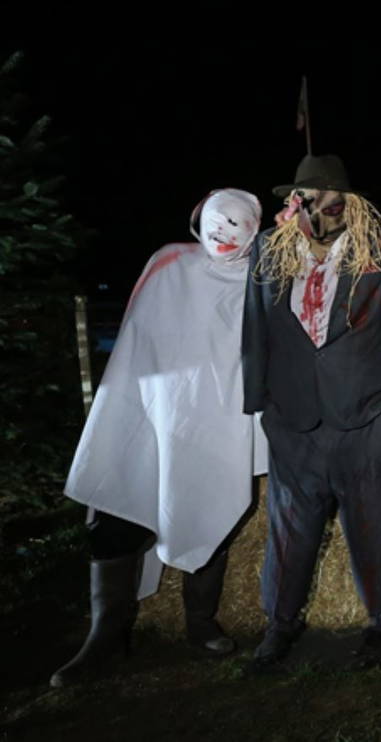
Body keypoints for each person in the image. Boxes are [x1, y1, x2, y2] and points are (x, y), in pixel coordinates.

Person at [52, 189, 267, 687]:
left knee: (208, 502)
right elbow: (139, 336)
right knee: (117, 506)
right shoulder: (168, 264)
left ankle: (200, 621)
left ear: (255, 230)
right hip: (144, 413)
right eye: (215, 221)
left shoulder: (260, 280)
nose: (223, 233)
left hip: (215, 422)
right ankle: (106, 636)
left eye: (236, 224)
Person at [241, 155, 381, 672]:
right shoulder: (269, 249)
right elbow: (255, 328)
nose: (318, 210)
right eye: (307, 199)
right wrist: (260, 408)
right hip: (293, 419)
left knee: (375, 527)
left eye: (330, 201)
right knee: (289, 532)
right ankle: (280, 624)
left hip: (363, 417)